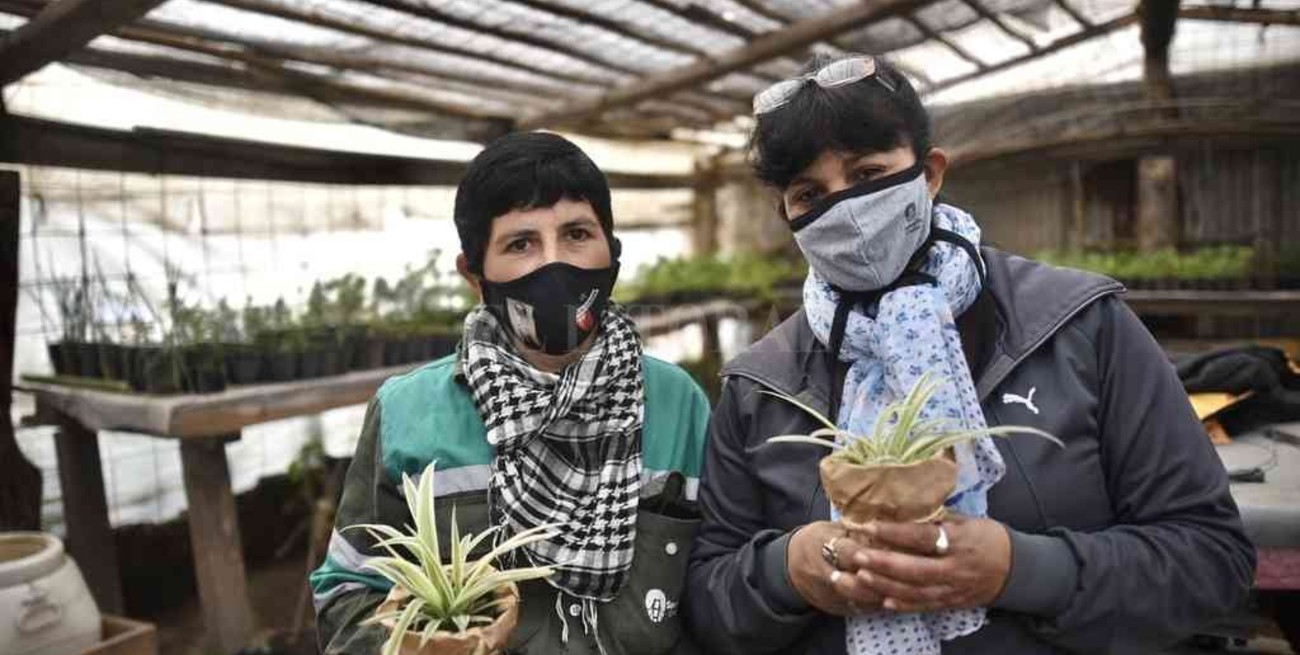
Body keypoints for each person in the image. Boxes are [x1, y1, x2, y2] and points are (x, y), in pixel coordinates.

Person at [684, 54, 1255, 654]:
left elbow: (1211, 557)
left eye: (868, 173)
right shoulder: (760, 384)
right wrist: (788, 571)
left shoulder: (1080, 326)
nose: (846, 209)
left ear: (930, 174)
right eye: (809, 193)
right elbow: (706, 601)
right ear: (787, 216)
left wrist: (1022, 569)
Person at [311, 132, 711, 655]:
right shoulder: (406, 415)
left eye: (576, 234)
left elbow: (717, 579)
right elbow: (347, 595)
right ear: (474, 274)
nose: (554, 264)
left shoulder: (678, 402)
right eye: (520, 244)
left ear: (612, 251)